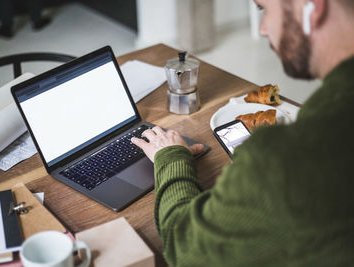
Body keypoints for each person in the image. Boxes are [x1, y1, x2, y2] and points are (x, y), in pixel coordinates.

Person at [131, 0, 354, 266]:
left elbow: (186, 249)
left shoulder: (284, 159)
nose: (262, 29)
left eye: (264, 9)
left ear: (312, 7)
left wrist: (171, 157)